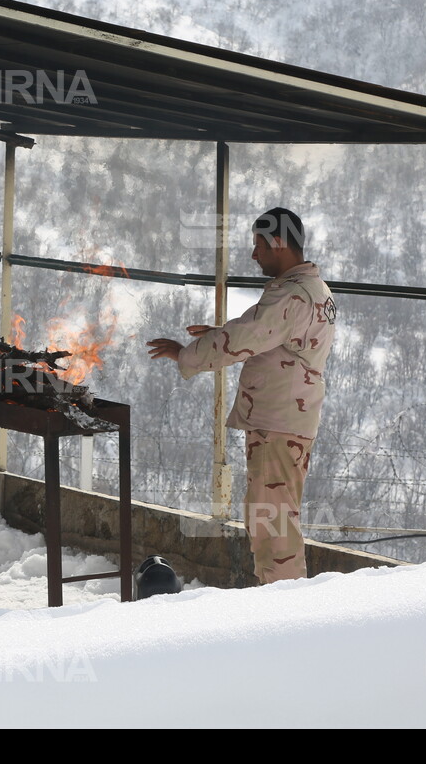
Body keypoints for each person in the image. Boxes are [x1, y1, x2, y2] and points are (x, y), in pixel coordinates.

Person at [147, 207, 336, 585]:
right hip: (286, 423)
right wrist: (222, 334)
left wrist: (188, 353)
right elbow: (268, 337)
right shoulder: (312, 290)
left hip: (277, 424)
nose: (254, 255)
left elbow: (250, 336)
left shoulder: (292, 295)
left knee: (274, 528)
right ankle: (282, 605)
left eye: (259, 245)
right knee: (273, 518)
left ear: (278, 243)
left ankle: (282, 612)